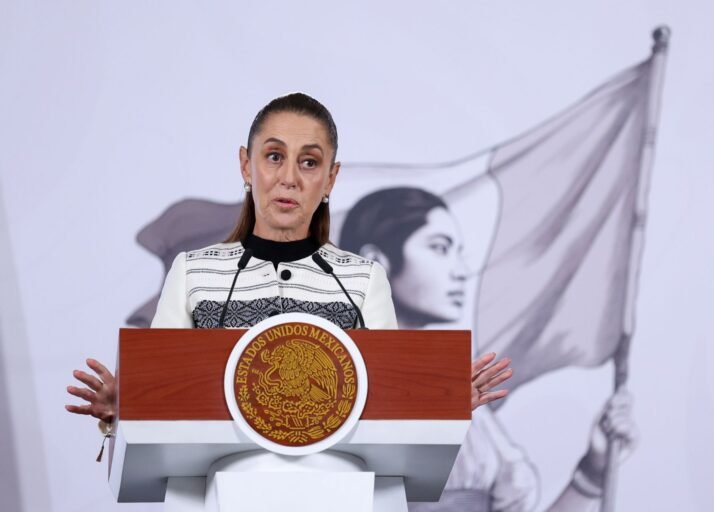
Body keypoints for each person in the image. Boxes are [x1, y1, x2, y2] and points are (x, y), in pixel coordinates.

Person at [65, 93, 512, 430]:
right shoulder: (193, 272)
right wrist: (127, 409)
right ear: (247, 166)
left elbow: (386, 405)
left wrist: (441, 403)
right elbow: (160, 397)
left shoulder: (363, 279)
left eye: (310, 162)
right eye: (274, 156)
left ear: (331, 178)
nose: (290, 178)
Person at [340, 187, 638, 512]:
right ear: (375, 263)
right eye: (440, 248)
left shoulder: (455, 392)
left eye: (459, 252)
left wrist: (591, 473)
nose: (460, 271)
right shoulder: (331, 390)